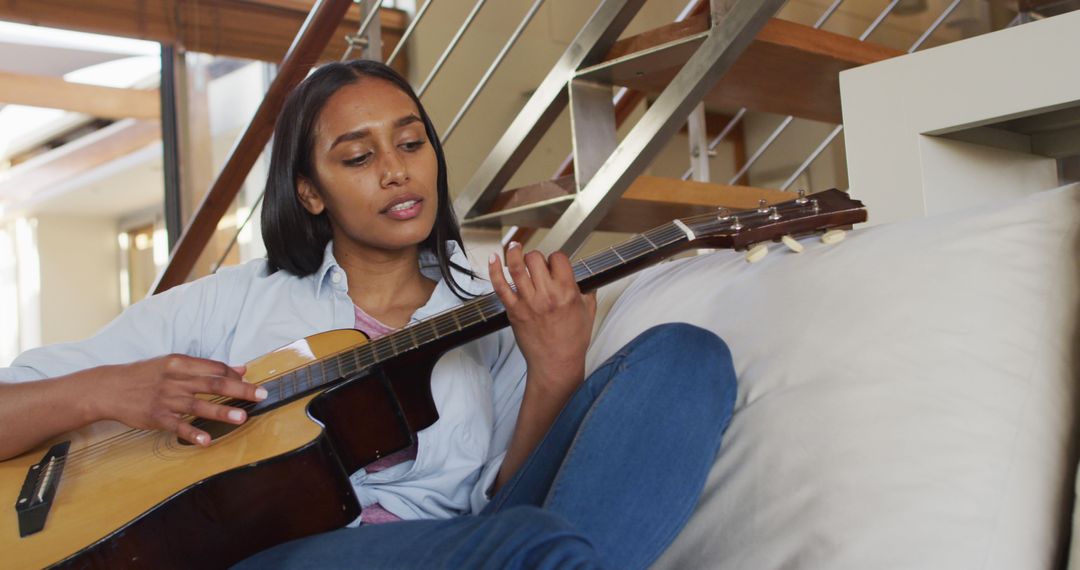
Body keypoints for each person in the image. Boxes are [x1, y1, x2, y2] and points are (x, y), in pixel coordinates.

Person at [0, 60, 737, 569]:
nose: (396, 170)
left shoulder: (491, 308)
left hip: (465, 542)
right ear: (311, 192)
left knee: (684, 355)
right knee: (529, 550)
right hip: (285, 552)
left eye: (411, 143)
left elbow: (513, 492)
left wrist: (554, 367)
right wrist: (107, 389)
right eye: (358, 158)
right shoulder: (232, 301)